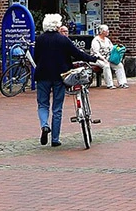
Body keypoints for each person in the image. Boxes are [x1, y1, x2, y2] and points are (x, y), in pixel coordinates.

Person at [34, 14, 99, 147]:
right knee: (57, 108)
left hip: (42, 75)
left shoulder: (39, 39)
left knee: (42, 104)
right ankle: (55, 139)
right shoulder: (63, 40)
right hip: (60, 76)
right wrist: (93, 59)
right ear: (57, 25)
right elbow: (77, 53)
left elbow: (36, 57)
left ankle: (44, 125)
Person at [90, 24, 128, 89]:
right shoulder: (96, 40)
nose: (108, 31)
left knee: (119, 65)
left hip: (108, 58)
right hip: (97, 59)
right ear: (102, 31)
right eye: (106, 30)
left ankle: (122, 83)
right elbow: (96, 53)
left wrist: (117, 51)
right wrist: (104, 59)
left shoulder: (107, 40)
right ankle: (109, 84)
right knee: (106, 66)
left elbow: (112, 49)